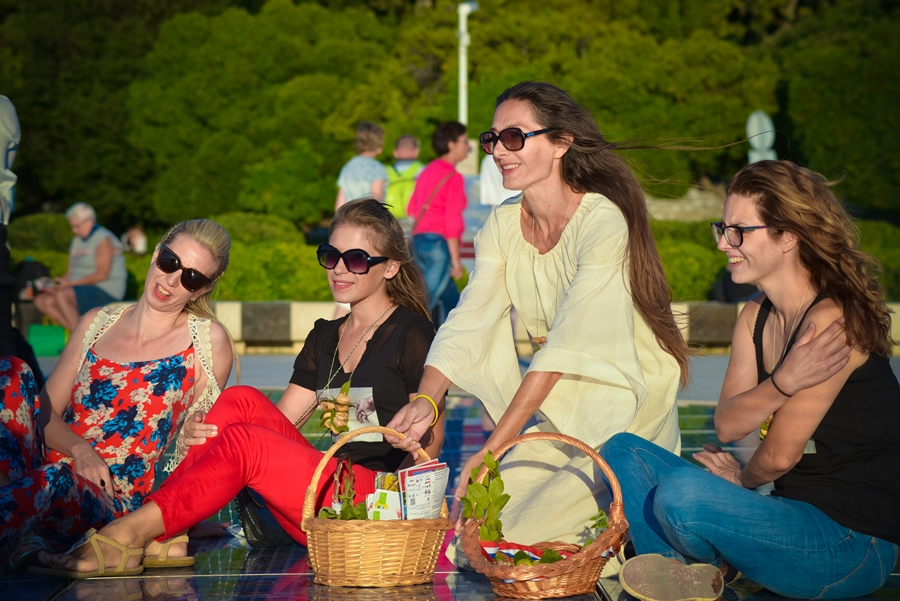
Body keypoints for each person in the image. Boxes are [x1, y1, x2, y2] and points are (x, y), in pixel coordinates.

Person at [36, 199, 445, 577]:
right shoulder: (326, 336)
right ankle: (169, 535)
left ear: (390, 267)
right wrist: (209, 435)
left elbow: (430, 447)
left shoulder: (412, 332)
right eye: (330, 255)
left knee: (248, 441)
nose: (339, 268)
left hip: (374, 505)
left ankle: (128, 534)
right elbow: (275, 424)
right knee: (239, 401)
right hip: (327, 490)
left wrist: (403, 526)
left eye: (356, 259)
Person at [387, 82, 692, 559]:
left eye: (515, 137)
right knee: (476, 545)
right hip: (554, 406)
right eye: (493, 139)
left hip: (622, 407)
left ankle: (657, 532)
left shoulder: (601, 222)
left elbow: (560, 350)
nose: (499, 151)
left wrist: (491, 452)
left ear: (561, 143)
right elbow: (470, 317)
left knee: (526, 544)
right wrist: (426, 397)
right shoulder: (504, 223)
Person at [602, 160, 900, 600]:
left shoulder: (832, 322)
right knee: (621, 451)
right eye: (722, 228)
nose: (725, 243)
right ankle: (686, 577)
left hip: (850, 544)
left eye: (739, 231)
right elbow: (728, 424)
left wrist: (738, 482)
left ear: (787, 236)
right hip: (786, 513)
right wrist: (782, 382)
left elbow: (778, 457)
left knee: (682, 493)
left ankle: (693, 569)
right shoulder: (754, 317)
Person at [1, 219, 235, 571]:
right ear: (156, 253)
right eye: (170, 262)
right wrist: (82, 449)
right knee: (11, 369)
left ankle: (26, 537)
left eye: (191, 277)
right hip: (48, 466)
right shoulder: (97, 321)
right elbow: (43, 414)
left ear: (202, 290)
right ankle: (24, 535)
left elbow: (195, 449)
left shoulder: (206, 341)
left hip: (109, 499)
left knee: (56, 481)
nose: (171, 280)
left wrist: (175, 524)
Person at [406, 121, 469, 326]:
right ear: (451, 144)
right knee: (424, 305)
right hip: (438, 245)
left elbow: (411, 209)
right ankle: (410, 348)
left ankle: (450, 347)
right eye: (464, 140)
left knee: (451, 299)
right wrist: (456, 260)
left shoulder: (426, 170)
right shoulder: (453, 176)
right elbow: (451, 221)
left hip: (418, 242)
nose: (467, 145)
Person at [34, 203, 128, 330]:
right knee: (42, 301)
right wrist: (57, 283)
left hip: (104, 289)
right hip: (78, 288)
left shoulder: (104, 239)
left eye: (76, 226)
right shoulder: (76, 241)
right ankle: (79, 335)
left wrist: (69, 285)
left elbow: (102, 274)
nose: (74, 230)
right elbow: (70, 272)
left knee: (63, 295)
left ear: (89, 221)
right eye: (72, 226)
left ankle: (78, 343)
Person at [334, 122, 388, 211]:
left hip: (349, 220)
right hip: (368, 221)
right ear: (379, 145)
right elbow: (377, 202)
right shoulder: (378, 168)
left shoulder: (347, 167)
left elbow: (339, 205)